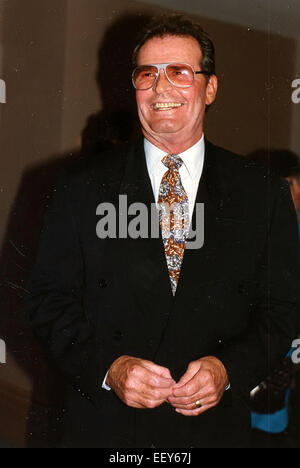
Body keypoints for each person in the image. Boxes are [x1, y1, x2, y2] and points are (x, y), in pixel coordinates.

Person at [25, 14, 300, 448]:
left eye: (179, 72)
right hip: (105, 428)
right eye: (147, 74)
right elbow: (46, 301)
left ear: (210, 88)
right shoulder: (82, 187)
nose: (161, 88)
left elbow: (283, 308)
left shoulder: (261, 192)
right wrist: (109, 369)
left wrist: (228, 370)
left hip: (214, 431)